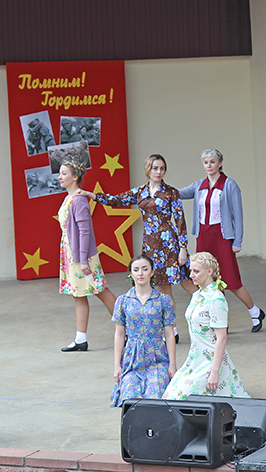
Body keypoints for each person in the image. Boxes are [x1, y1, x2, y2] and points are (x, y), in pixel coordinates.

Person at [78, 154, 197, 343]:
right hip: (150, 247)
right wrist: (91, 195)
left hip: (169, 245)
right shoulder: (140, 191)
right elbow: (116, 200)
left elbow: (180, 221)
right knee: (163, 288)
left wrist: (183, 248)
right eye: (155, 168)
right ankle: (172, 331)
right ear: (148, 169)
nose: (159, 172)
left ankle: (208, 313)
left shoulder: (171, 192)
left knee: (187, 283)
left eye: (162, 168)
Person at [178, 149, 266, 332]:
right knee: (210, 280)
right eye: (206, 162)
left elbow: (238, 215)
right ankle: (221, 322)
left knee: (230, 278)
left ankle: (255, 312)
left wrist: (237, 241)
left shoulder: (229, 185)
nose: (209, 165)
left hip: (222, 236)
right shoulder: (199, 185)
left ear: (220, 163)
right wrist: (159, 187)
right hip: (203, 236)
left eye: (212, 161)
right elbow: (178, 193)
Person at [162, 252, 249, 400]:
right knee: (170, 394)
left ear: (209, 272)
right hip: (195, 358)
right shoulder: (197, 295)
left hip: (210, 361)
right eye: (191, 270)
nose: (191, 275)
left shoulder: (216, 299)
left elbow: (221, 338)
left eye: (196, 271)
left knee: (180, 397)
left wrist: (214, 372)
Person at [57, 159, 117, 352]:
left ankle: (131, 330)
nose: (60, 177)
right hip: (72, 255)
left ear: (75, 177)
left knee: (101, 291)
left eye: (64, 173)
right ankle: (80, 339)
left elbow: (85, 232)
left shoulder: (79, 200)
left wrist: (83, 260)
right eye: (60, 173)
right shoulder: (69, 198)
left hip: (83, 257)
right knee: (79, 295)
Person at [111, 255, 177, 407]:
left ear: (152, 272)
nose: (140, 273)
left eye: (145, 269)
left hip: (158, 358)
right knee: (130, 399)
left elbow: (169, 334)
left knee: (156, 397)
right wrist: (117, 365)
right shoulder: (123, 300)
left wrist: (172, 364)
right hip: (132, 360)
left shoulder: (164, 300)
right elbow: (119, 334)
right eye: (136, 270)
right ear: (131, 273)